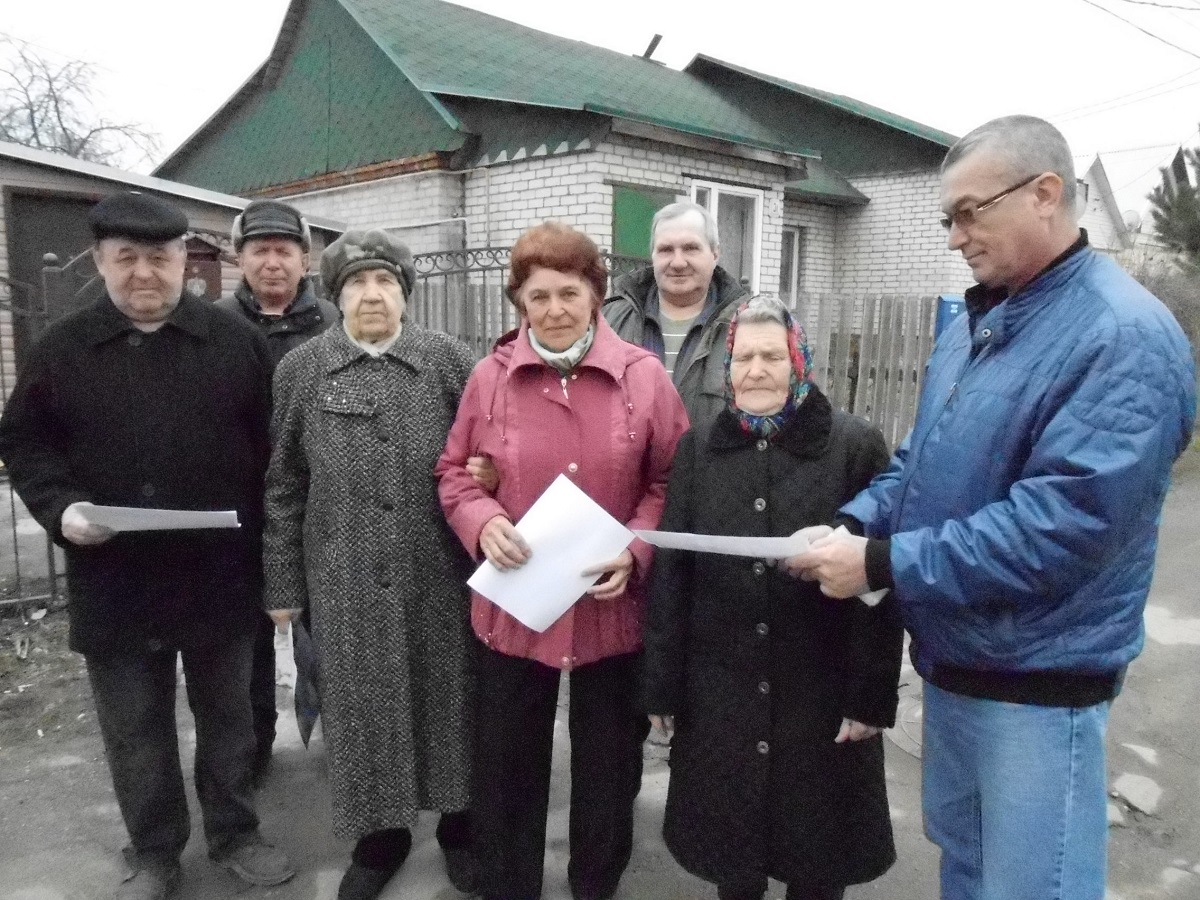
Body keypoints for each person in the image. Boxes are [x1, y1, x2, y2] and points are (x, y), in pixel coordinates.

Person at [791, 115, 1197, 900]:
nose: (954, 237)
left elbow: (1060, 529)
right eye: (950, 217)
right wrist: (855, 523)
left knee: (1027, 887)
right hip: (959, 665)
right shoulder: (983, 321)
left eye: (970, 212)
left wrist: (879, 563)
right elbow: (923, 464)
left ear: (1046, 194)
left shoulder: (1121, 336)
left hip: (1038, 686)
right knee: (970, 874)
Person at [0, 192, 293, 900]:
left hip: (218, 575)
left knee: (228, 719)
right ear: (100, 262)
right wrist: (61, 508)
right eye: (125, 258)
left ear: (183, 263)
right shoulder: (61, 350)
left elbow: (275, 451)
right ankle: (156, 853)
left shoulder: (233, 343)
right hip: (116, 579)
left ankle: (235, 834)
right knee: (135, 728)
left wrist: (271, 551)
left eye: (157, 258)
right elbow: (26, 444)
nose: (142, 273)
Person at [436, 221, 690, 900]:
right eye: (537, 295)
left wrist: (635, 550)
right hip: (515, 605)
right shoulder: (489, 378)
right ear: (519, 301)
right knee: (506, 768)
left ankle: (593, 887)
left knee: (608, 773)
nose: (553, 309)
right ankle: (507, 885)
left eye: (568, 292)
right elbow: (454, 472)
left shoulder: (646, 378)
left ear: (596, 294)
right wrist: (483, 521)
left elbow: (672, 482)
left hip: (613, 609)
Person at [642, 294, 900, 900]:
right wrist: (662, 684)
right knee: (735, 858)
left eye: (771, 357)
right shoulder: (700, 449)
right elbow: (673, 572)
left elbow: (883, 581)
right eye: (743, 358)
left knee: (816, 857)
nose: (755, 370)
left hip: (819, 685)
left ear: (799, 362)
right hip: (721, 688)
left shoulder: (854, 446)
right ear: (726, 368)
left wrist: (870, 694)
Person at [262, 229, 479, 900]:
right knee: (363, 710)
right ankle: (380, 838)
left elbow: (486, 460)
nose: (372, 294)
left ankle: (460, 826)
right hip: (344, 580)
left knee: (449, 701)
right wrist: (283, 584)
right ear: (335, 296)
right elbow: (284, 484)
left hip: (441, 574)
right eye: (356, 283)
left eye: (385, 281)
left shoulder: (450, 361)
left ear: (406, 293)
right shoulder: (302, 369)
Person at [215, 197, 340, 780]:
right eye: (259, 250)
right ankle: (253, 749)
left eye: (283, 250)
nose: (272, 262)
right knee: (246, 644)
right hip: (237, 510)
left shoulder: (336, 326)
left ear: (305, 257)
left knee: (332, 635)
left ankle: (348, 742)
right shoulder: (212, 327)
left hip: (320, 510)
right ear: (239, 257)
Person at [603, 200, 749, 424]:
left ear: (715, 254)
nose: (678, 262)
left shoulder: (748, 327)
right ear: (652, 255)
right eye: (666, 250)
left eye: (691, 248)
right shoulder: (608, 321)